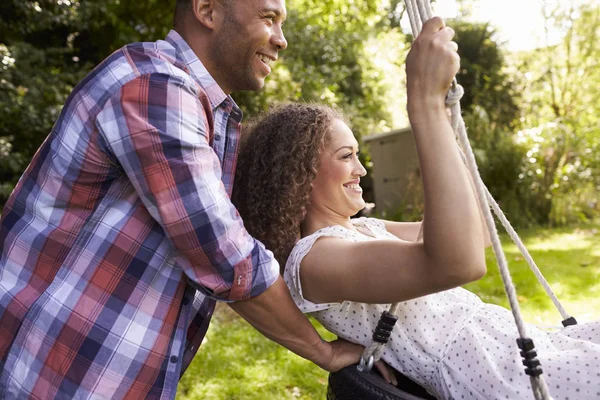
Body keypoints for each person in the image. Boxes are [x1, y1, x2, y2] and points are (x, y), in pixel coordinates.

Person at [0, 0, 364, 398]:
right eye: (268, 18)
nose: (282, 40)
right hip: (49, 375)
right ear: (207, 10)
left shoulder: (204, 108)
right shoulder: (155, 86)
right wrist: (320, 351)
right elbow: (226, 255)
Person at [232, 17, 600, 400]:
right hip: (492, 372)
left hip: (511, 340)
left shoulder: (364, 229)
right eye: (346, 156)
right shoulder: (314, 260)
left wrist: (445, 120)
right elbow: (460, 263)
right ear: (299, 177)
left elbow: (478, 236)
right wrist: (423, 107)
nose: (360, 170)